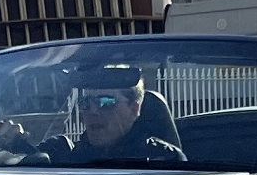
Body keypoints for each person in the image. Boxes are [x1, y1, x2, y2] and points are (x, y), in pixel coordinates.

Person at [41, 61, 186, 166]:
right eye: (85, 102)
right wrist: (19, 142)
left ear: (134, 109)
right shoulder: (64, 158)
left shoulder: (165, 160)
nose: (92, 111)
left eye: (105, 102)